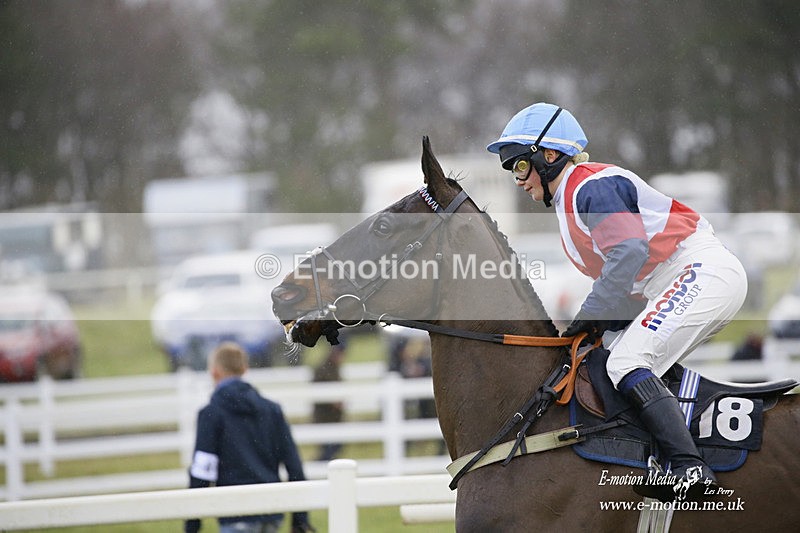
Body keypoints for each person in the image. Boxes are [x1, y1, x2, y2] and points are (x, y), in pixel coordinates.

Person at [487, 102, 748, 503]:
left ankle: (690, 469)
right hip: (674, 280)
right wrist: (593, 326)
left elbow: (628, 253)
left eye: (520, 166)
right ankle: (662, 454)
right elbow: (626, 283)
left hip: (698, 270)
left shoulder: (589, 185)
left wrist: (591, 314)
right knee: (611, 356)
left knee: (627, 362)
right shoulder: (569, 201)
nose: (517, 180)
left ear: (549, 156)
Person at [185, 342, 315, 533]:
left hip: (234, 512)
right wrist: (300, 519)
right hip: (271, 511)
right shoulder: (272, 410)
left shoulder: (211, 414)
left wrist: (192, 523)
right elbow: (293, 465)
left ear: (214, 372)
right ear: (245, 369)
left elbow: (202, 471)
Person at [312, 342, 346, 461]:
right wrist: (333, 401)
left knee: (335, 446)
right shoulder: (324, 369)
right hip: (325, 416)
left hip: (333, 416)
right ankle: (319, 467)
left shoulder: (333, 368)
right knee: (329, 447)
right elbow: (318, 390)